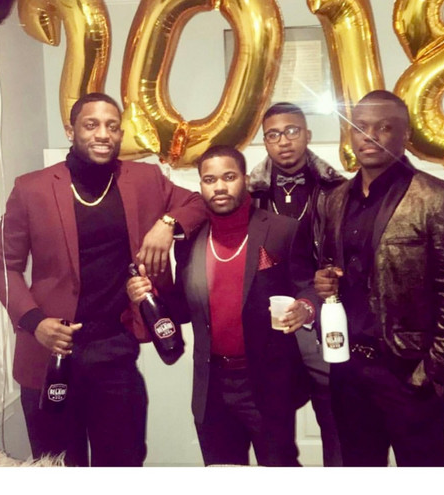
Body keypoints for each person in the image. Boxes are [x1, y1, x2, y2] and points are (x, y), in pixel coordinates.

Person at [0, 92, 206, 467]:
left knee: (122, 464)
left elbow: (198, 203)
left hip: (114, 352)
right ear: (70, 130)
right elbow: (2, 266)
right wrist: (35, 322)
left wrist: (167, 224)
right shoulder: (31, 188)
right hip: (49, 355)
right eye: (91, 125)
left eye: (112, 126)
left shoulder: (144, 178)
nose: (103, 134)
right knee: (57, 469)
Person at [127, 145, 318, 467]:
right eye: (209, 179)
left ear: (245, 179)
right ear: (201, 185)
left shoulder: (282, 229)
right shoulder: (190, 240)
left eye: (229, 177)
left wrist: (306, 307)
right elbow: (183, 311)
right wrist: (150, 295)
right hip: (212, 387)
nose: (219, 187)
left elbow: (308, 285)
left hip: (267, 384)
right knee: (221, 476)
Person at [314, 90, 444, 467]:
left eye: (384, 127)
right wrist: (325, 281)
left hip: (410, 372)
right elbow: (330, 264)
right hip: (348, 367)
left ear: (405, 134)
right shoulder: (334, 199)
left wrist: (436, 371)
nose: (369, 136)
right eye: (360, 127)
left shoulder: (438, 198)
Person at [249, 102, 344, 466]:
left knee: (335, 419)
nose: (284, 141)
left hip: (323, 315)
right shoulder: (250, 193)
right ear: (265, 142)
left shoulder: (337, 190)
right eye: (273, 135)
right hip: (269, 320)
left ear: (307, 134)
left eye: (291, 131)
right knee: (274, 429)